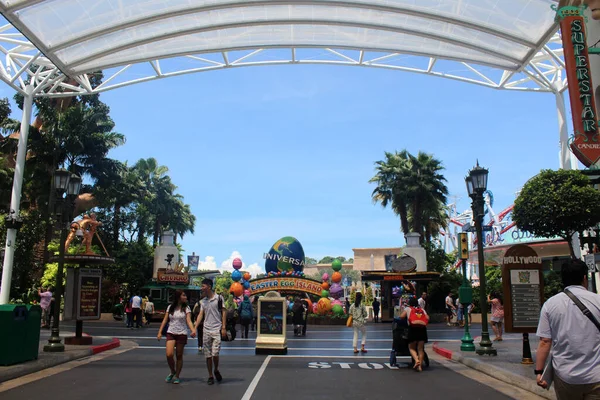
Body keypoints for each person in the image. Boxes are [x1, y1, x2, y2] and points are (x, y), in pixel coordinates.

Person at [536, 260, 600, 399]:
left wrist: (539, 371)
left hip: (565, 375)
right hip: (596, 375)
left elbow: (545, 342)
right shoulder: (598, 300)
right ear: (584, 278)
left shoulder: (550, 304)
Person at [157, 289, 195, 385]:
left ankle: (177, 376)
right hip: (171, 332)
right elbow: (165, 320)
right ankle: (172, 371)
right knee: (169, 354)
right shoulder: (170, 307)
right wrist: (160, 332)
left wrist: (193, 330)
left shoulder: (186, 308)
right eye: (184, 295)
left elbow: (189, 321)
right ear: (179, 297)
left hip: (182, 333)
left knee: (179, 355)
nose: (185, 297)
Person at [193, 278, 227, 385]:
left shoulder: (219, 298)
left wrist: (223, 327)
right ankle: (210, 375)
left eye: (203, 286)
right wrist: (195, 327)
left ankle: (216, 369)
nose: (201, 288)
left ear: (209, 287)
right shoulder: (203, 301)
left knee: (215, 353)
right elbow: (200, 315)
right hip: (206, 330)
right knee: (208, 355)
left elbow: (224, 312)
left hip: (217, 329)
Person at [400, 297, 429, 372]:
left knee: (411, 347)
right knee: (420, 349)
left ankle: (416, 360)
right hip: (422, 329)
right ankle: (420, 367)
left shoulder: (408, 309)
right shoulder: (421, 309)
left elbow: (401, 316)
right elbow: (427, 318)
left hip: (412, 329)